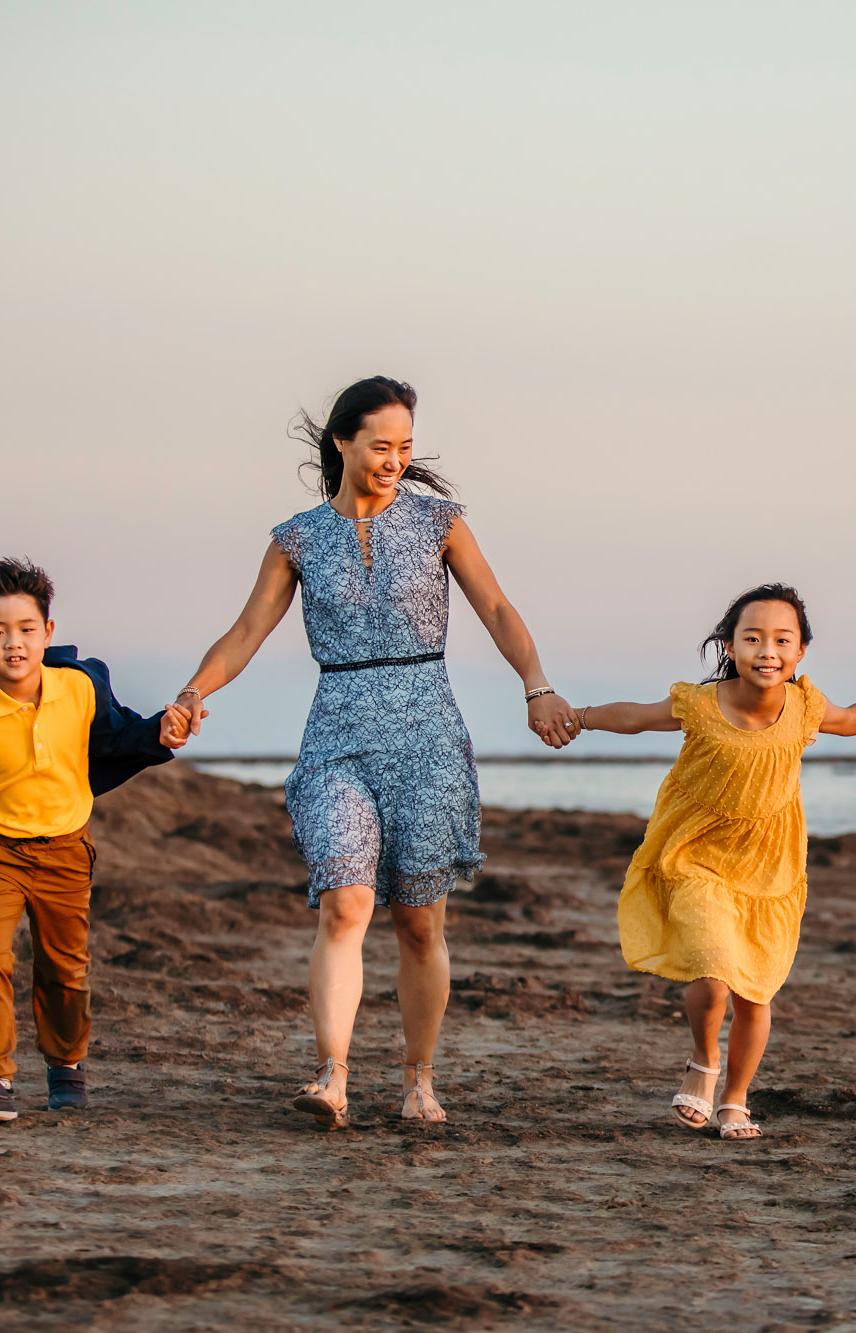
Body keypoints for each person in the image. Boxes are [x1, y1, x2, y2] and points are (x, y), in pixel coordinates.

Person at [162, 376, 577, 1127]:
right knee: (344, 902)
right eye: (380, 445)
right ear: (341, 441)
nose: (394, 460)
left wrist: (536, 685)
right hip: (338, 735)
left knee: (420, 922)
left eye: (405, 447)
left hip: (427, 732)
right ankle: (333, 1074)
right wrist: (193, 692)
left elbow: (496, 607)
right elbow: (247, 630)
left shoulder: (440, 522)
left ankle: (419, 1079)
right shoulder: (296, 538)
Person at [568, 584, 856, 1140]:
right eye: (754, 638)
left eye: (782, 640)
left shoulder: (805, 707)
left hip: (769, 868)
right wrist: (580, 716)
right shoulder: (700, 702)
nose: (768, 650)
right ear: (731, 647)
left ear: (800, 652)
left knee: (754, 991)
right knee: (712, 967)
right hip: (695, 855)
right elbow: (637, 717)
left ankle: (735, 1100)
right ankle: (702, 1061)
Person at [0, 558, 173, 1124]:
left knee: (65, 968)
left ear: (48, 631)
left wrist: (164, 727)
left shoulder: (82, 685)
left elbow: (119, 737)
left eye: (25, 629)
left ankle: (66, 1066)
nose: (12, 644)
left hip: (66, 850)